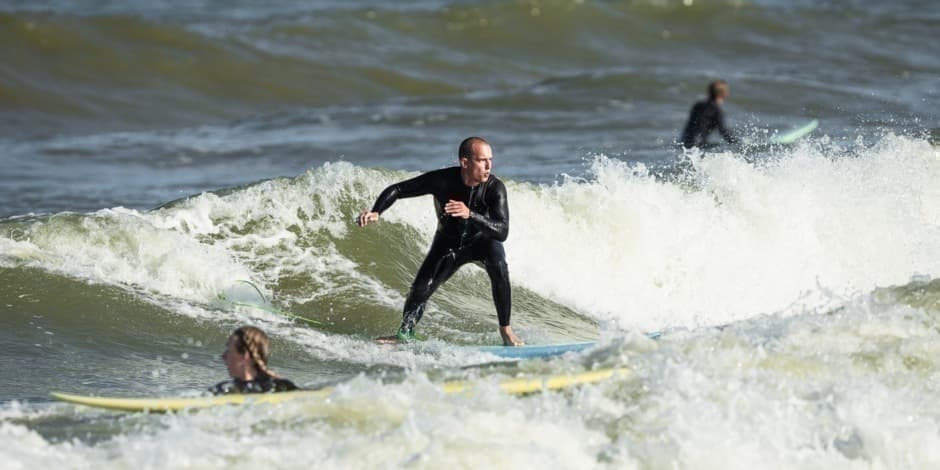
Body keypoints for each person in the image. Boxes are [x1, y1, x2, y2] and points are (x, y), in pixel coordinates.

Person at [357, 136, 523, 346]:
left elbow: (502, 231)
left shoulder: (494, 188)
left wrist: (470, 214)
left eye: (490, 159)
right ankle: (405, 335)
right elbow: (397, 190)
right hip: (449, 243)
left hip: (483, 242)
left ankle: (506, 330)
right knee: (420, 288)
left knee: (499, 266)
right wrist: (376, 211)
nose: (489, 165)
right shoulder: (443, 180)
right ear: (465, 162)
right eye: (482, 160)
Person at [211, 326, 300, 394]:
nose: (223, 356)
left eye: (229, 351)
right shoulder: (281, 387)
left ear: (245, 355)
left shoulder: (224, 390)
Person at [680, 80, 738, 149]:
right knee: (721, 148)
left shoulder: (698, 105)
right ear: (724, 94)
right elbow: (724, 132)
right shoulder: (717, 111)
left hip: (684, 141)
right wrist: (737, 143)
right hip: (697, 146)